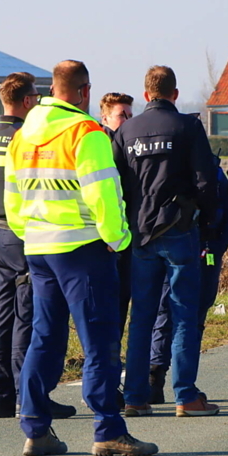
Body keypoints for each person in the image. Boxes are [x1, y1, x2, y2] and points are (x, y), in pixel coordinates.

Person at [4, 60, 157, 456]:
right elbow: (104, 194)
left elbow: (12, 200)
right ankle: (108, 429)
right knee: (100, 342)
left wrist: (32, 234)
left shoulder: (22, 137)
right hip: (82, 250)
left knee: (44, 338)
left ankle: (36, 429)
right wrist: (119, 239)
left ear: (53, 90)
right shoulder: (86, 133)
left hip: (39, 248)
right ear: (85, 92)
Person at [112, 65, 220, 418]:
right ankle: (185, 396)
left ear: (145, 95)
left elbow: (118, 183)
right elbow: (206, 181)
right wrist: (206, 224)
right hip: (179, 232)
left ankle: (135, 396)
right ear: (174, 94)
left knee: (141, 317)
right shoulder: (188, 126)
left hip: (141, 235)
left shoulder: (126, 130)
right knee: (184, 314)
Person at [0, 72, 75, 420]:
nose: (38, 101)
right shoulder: (22, 137)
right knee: (27, 315)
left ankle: (0, 395)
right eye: (35, 97)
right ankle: (29, 395)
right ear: (25, 101)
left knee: (2, 315)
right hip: (22, 233)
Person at [148, 153, 228, 404]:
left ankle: (158, 378)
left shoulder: (180, 168)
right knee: (187, 318)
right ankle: (174, 383)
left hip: (191, 250)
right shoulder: (213, 171)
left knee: (169, 313)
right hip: (198, 251)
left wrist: (217, 246)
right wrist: (217, 245)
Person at [99, 92, 136, 368]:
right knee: (111, 311)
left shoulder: (128, 143)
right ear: (105, 117)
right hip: (108, 242)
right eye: (122, 115)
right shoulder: (102, 145)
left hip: (124, 237)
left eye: (130, 115)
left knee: (121, 308)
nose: (127, 120)